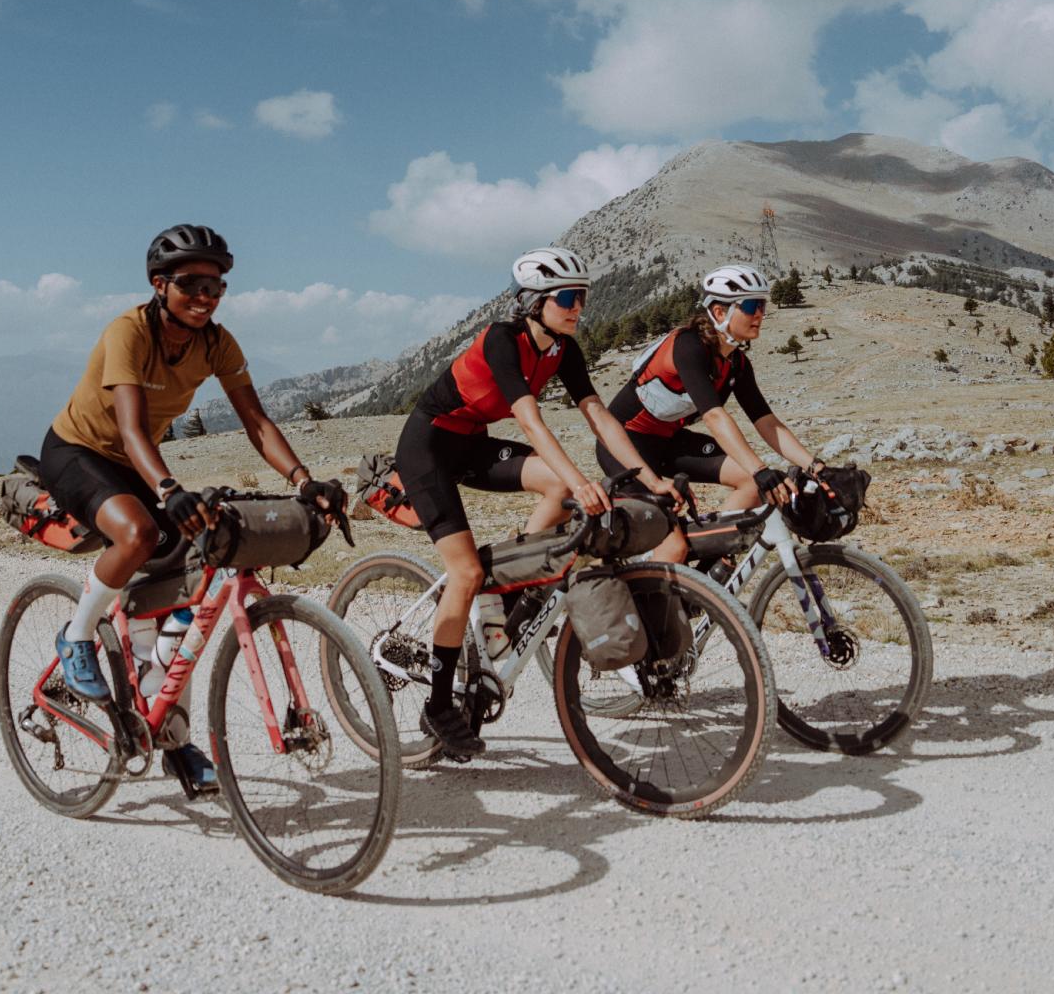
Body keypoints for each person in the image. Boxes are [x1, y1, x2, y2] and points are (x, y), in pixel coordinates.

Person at [40, 224, 343, 795]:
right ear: (160, 285)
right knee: (135, 536)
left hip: (138, 460)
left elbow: (256, 422)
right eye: (191, 284)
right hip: (80, 451)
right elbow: (129, 428)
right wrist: (168, 487)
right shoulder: (129, 331)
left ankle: (168, 731)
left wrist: (304, 481)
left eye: (217, 285)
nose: (206, 296)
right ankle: (77, 635)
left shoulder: (216, 343)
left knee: (189, 579)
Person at [392, 246, 675, 758]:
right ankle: (437, 705)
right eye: (567, 297)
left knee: (559, 489)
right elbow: (529, 421)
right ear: (533, 301)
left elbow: (600, 415)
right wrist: (582, 481)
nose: (577, 307)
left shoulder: (564, 349)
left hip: (473, 442)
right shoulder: (504, 339)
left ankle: (512, 582)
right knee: (465, 573)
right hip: (427, 446)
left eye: (582, 297)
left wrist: (648, 477)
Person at [596, 264, 827, 563]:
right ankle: (654, 603)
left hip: (668, 443)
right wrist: (761, 469)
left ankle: (711, 573)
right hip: (624, 447)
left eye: (762, 305)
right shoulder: (688, 345)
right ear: (720, 312)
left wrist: (814, 465)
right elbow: (715, 417)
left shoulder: (737, 364)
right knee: (673, 546)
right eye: (751, 305)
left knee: (749, 482)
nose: (760, 313)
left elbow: (767, 422)